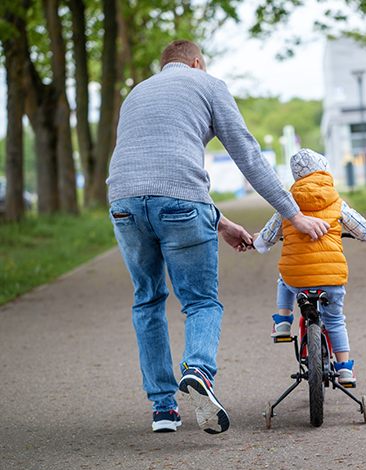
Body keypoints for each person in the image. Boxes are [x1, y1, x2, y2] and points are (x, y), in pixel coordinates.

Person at [106, 40, 330, 434]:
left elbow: (155, 171)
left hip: (123, 202)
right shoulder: (208, 85)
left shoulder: (136, 94)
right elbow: (246, 154)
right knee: (201, 300)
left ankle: (163, 409)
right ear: (197, 63)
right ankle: (198, 372)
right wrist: (292, 214)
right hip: (180, 203)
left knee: (147, 300)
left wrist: (222, 223)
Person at [252, 149, 366, 385]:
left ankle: (283, 321)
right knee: (336, 320)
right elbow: (358, 224)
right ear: (324, 171)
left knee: (284, 277)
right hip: (332, 278)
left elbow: (268, 234)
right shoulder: (336, 201)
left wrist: (259, 242)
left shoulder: (287, 204)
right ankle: (345, 369)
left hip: (297, 278)